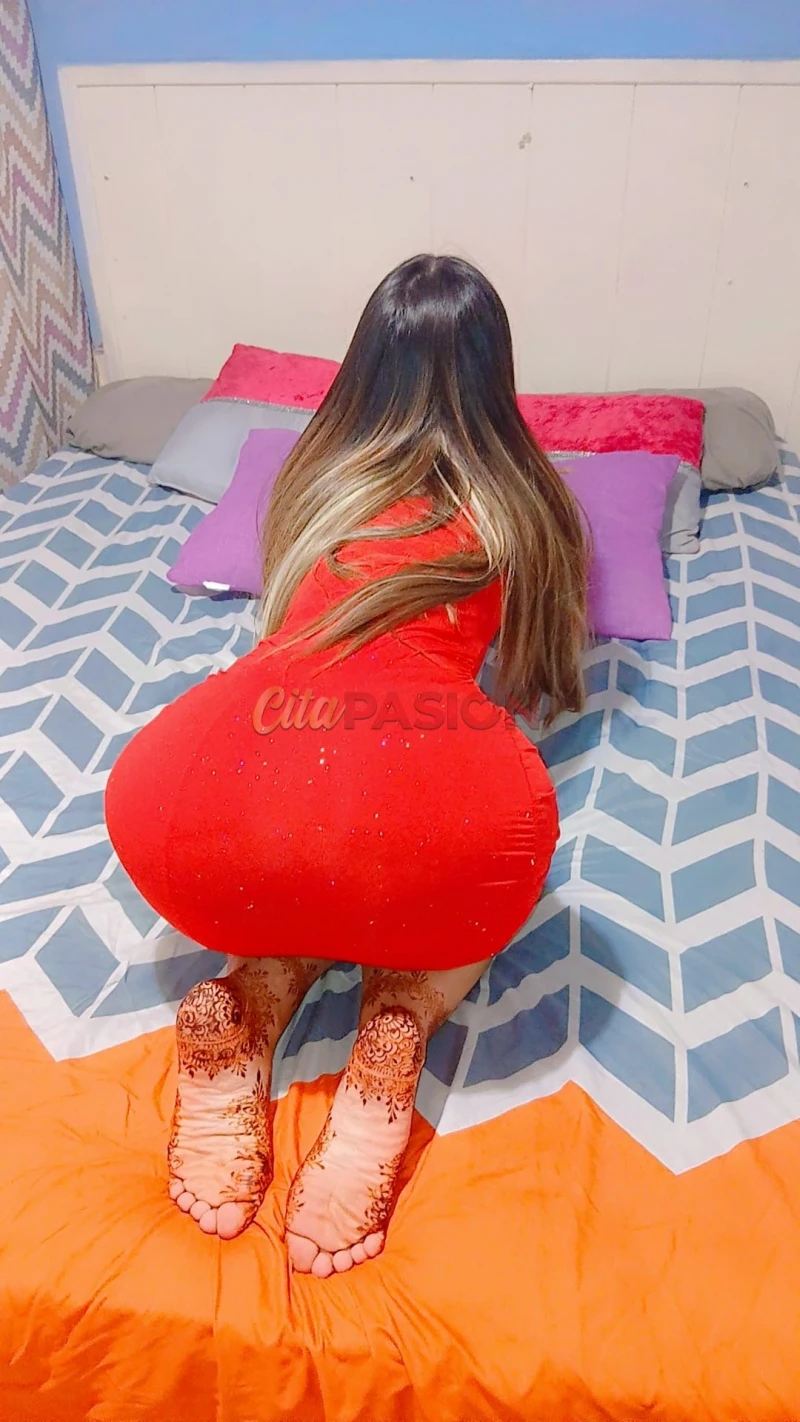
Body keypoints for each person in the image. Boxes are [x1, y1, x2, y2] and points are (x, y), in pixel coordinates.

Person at [105, 254, 588, 1279]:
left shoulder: (310, 478)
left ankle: (246, 1001)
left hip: (193, 803)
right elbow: (541, 674)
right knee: (441, 887)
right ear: (495, 370)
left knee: (288, 879)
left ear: (362, 361)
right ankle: (398, 1025)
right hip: (419, 800)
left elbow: (283, 624)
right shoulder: (525, 495)